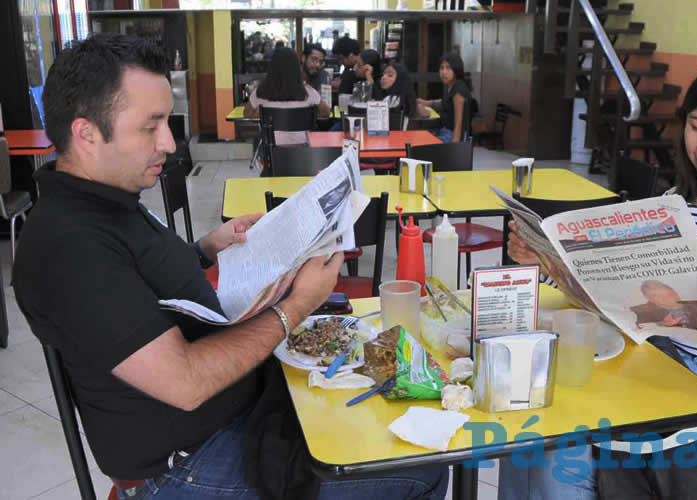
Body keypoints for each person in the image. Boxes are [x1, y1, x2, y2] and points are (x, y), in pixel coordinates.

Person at [14, 34, 448, 500]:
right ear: (86, 134)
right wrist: (296, 305)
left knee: (376, 412)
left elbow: (140, 278)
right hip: (187, 464)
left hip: (233, 414)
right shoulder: (69, 246)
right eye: (150, 126)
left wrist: (207, 249)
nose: (168, 142)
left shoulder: (106, 200)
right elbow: (185, 382)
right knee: (424, 470)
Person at [501, 56, 697, 498]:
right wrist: (548, 265)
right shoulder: (679, 201)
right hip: (667, 379)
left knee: (564, 464)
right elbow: (615, 300)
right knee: (531, 437)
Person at [244, 47, 329, 150]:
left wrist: (264, 114)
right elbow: (326, 112)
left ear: (272, 67)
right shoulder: (308, 92)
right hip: (302, 153)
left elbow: (247, 113)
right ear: (296, 68)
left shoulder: (260, 92)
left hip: (272, 152)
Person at [631, 280, 697, 337]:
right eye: (654, 295)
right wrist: (661, 325)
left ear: (673, 291)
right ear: (650, 300)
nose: (663, 297)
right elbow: (637, 327)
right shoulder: (644, 311)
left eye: (664, 292)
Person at [417, 53, 472, 143]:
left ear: (456, 70)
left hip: (451, 135)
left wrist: (453, 148)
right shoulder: (452, 87)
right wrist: (424, 102)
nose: (444, 72)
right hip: (444, 131)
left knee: (420, 145)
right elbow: (444, 102)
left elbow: (459, 124)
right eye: (442, 68)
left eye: (448, 68)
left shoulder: (458, 90)